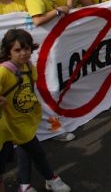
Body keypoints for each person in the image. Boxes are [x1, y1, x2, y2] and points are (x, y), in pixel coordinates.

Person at [0, 29, 72, 192]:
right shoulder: (3, 72)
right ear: (8, 51)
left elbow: (29, 89)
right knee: (36, 152)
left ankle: (25, 185)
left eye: (26, 49)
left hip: (24, 120)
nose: (24, 53)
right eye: (17, 50)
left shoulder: (28, 66)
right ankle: (50, 178)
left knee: (26, 151)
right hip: (10, 125)